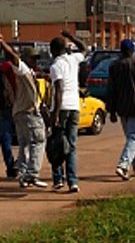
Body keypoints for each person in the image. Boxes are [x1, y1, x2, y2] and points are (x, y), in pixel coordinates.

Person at [0, 30, 47, 189]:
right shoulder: (22, 69)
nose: (35, 61)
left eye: (37, 58)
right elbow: (14, 57)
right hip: (28, 112)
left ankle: (23, 175)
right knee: (38, 141)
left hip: (19, 112)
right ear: (26, 59)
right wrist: (2, 43)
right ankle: (32, 175)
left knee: (24, 144)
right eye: (33, 58)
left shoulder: (30, 72)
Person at [47, 30, 87, 193]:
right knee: (71, 145)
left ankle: (58, 179)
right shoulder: (73, 59)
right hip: (74, 107)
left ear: (53, 51)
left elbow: (59, 89)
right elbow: (84, 49)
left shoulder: (56, 65)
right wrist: (71, 37)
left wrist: (55, 114)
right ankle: (73, 181)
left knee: (56, 143)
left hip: (62, 107)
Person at [108, 38, 135, 181]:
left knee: (132, 138)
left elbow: (111, 91)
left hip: (122, 108)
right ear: (133, 50)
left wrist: (112, 110)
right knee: (134, 138)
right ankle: (123, 164)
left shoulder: (115, 66)